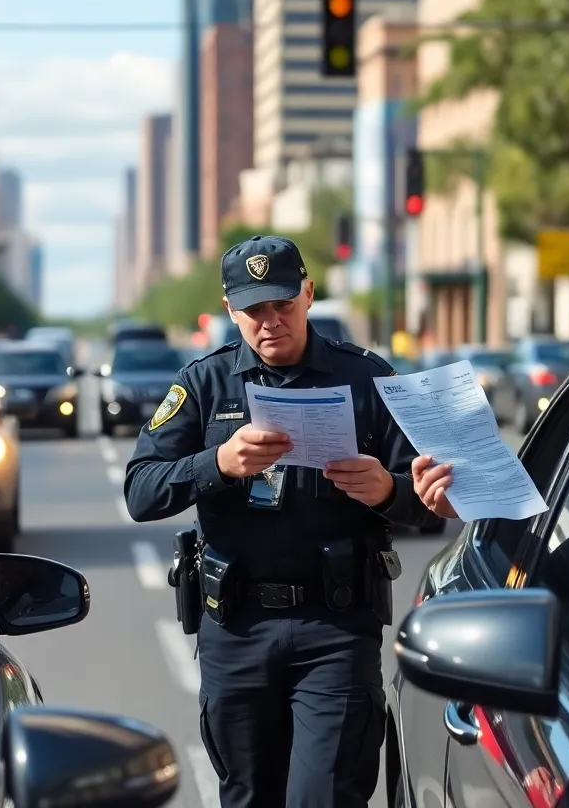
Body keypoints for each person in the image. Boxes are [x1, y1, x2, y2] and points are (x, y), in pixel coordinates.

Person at [123, 236, 438, 807]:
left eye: (282, 304)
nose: (270, 322)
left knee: (325, 797)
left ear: (308, 293)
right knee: (248, 797)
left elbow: (430, 501)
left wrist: (388, 490)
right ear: (229, 309)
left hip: (335, 629)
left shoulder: (366, 379)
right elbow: (141, 490)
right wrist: (217, 463)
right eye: (253, 310)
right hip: (236, 629)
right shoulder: (203, 385)